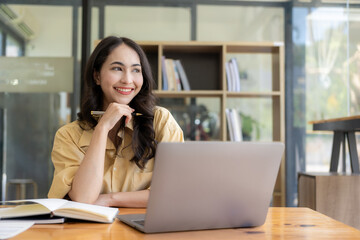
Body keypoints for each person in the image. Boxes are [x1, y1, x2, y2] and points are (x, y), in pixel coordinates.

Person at [48, 36, 184, 207]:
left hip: (145, 229)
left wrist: (109, 199)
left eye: (136, 70)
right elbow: (83, 197)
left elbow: (174, 192)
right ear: (97, 76)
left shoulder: (161, 121)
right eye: (117, 68)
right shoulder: (68, 135)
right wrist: (102, 128)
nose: (127, 80)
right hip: (90, 232)